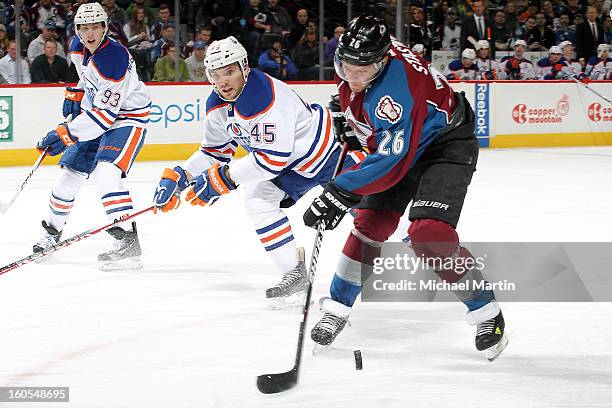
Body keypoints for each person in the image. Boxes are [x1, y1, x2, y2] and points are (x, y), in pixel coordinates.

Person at [304, 15, 508, 361]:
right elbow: (362, 100)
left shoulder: (395, 91)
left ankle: (487, 313)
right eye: (345, 67)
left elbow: (392, 162)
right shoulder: (372, 55)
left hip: (445, 143)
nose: (352, 76)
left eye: (362, 70)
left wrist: (340, 192)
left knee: (430, 235)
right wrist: (348, 116)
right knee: (370, 225)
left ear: (382, 61)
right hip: (410, 136)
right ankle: (337, 308)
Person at [152, 36, 363, 306]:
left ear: (243, 68)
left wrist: (223, 179)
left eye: (229, 72)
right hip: (292, 166)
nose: (223, 81)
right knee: (257, 200)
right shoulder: (217, 106)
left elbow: (271, 160)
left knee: (375, 213)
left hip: (329, 154)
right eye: (216, 75)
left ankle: (426, 255)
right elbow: (214, 152)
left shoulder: (263, 94)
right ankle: (294, 274)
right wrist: (181, 175)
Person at [33, 3, 151, 271]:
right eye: (84, 27)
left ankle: (127, 240)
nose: (89, 33)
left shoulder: (114, 59)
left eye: (95, 27)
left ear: (104, 28)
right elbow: (87, 79)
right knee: (68, 176)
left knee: (105, 173)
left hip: (126, 119)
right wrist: (77, 91)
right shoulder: (77, 46)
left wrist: (65, 134)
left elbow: (105, 117)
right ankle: (51, 233)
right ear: (77, 29)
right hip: (96, 114)